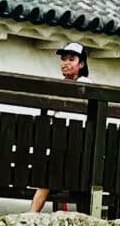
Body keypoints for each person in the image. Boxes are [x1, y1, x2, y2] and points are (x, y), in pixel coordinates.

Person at [29, 42, 90, 214]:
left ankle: (33, 213)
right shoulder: (61, 85)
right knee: (49, 175)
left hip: (75, 145)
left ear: (82, 64)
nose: (66, 63)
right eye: (63, 59)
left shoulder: (84, 84)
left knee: (48, 177)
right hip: (61, 145)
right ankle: (35, 213)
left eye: (72, 59)